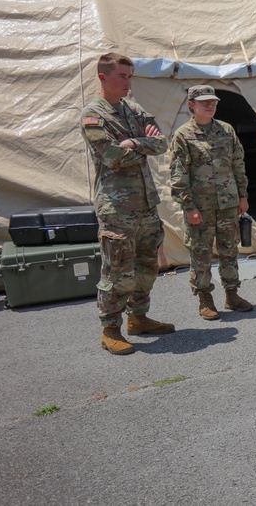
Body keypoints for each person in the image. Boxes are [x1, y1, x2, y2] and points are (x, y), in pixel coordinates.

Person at [80, 53, 174, 355]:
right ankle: (110, 330)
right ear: (103, 77)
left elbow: (161, 143)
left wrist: (135, 142)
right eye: (122, 76)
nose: (128, 82)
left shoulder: (134, 109)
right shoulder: (93, 116)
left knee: (147, 266)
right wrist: (141, 144)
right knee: (116, 271)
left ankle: (138, 318)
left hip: (146, 204)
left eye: (130, 76)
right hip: (116, 208)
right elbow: (111, 156)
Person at [169, 85, 253, 320]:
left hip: (228, 203)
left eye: (213, 102)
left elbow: (238, 164)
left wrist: (243, 196)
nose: (210, 106)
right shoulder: (183, 135)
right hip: (201, 207)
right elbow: (178, 175)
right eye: (204, 102)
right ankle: (205, 299)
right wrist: (189, 207)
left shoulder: (226, 130)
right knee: (201, 253)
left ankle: (232, 294)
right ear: (191, 106)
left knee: (229, 250)